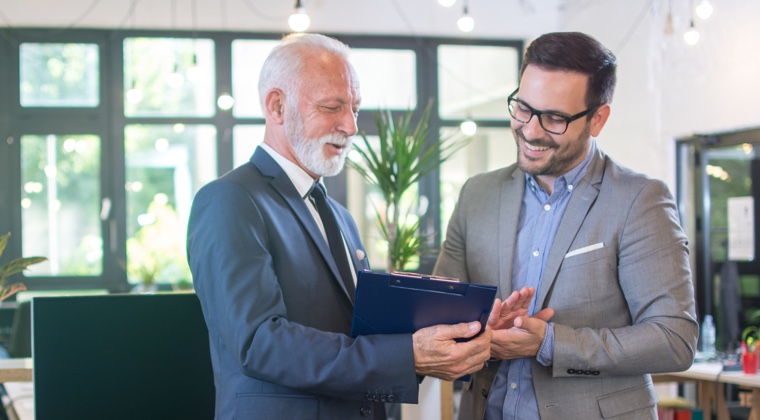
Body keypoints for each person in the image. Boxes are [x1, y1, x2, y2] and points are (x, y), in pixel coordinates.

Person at [187, 33, 526, 420]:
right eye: (332, 107)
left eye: (354, 108)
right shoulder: (230, 200)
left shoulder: (338, 215)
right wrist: (409, 353)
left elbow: (362, 333)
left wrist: (468, 329)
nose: (350, 125)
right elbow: (260, 343)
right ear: (277, 106)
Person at [433, 32, 699, 420]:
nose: (531, 130)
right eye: (522, 108)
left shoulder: (639, 200)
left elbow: (674, 339)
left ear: (598, 119)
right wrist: (479, 322)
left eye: (555, 118)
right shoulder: (477, 195)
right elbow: (440, 309)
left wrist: (550, 344)